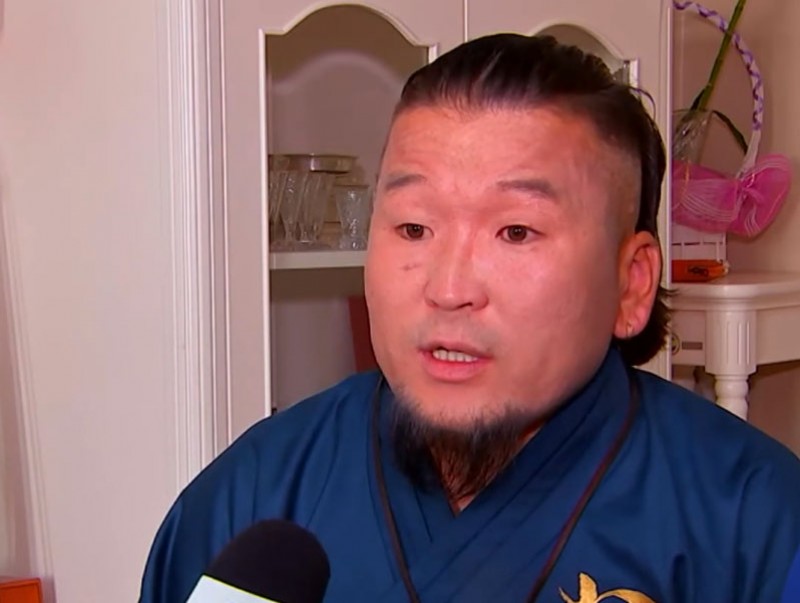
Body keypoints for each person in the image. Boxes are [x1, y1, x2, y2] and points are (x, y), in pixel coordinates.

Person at [139, 33, 800, 602]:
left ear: (631, 284)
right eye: (413, 227)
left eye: (515, 231)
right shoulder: (254, 495)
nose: (449, 288)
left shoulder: (753, 521)